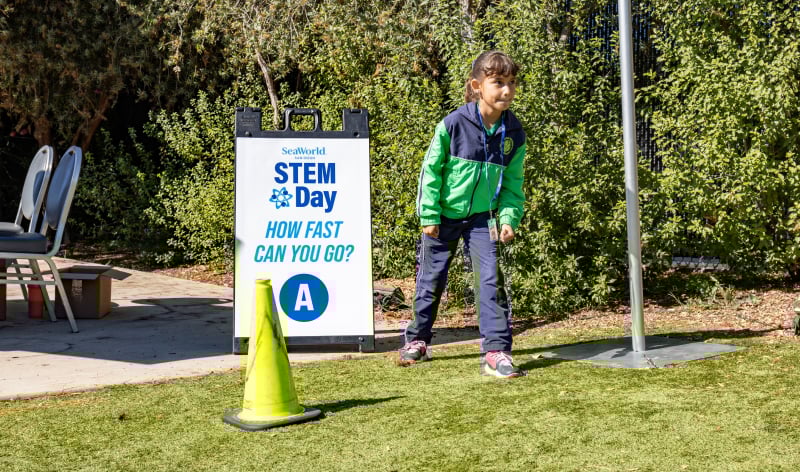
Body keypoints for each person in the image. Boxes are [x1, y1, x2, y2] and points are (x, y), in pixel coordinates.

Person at [399, 50, 527, 378]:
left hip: (485, 219)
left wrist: (509, 219)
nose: (507, 91)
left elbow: (513, 184)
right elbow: (431, 171)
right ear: (477, 85)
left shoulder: (514, 133)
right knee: (431, 279)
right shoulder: (454, 124)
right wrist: (428, 215)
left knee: (490, 279)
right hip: (441, 217)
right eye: (498, 83)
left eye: (511, 83)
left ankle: (496, 351)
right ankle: (417, 341)